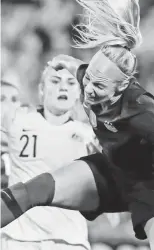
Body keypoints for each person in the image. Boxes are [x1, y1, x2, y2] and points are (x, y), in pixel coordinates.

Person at [1, 0, 154, 250]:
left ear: (121, 87)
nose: (87, 91)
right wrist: (70, 64)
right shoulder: (93, 78)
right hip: (110, 172)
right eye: (89, 79)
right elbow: (82, 70)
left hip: (149, 184)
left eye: (98, 86)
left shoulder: (139, 106)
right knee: (32, 190)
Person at [1, 66, 99, 250]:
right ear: (41, 89)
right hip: (18, 240)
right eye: (55, 81)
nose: (63, 87)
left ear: (78, 93)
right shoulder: (18, 123)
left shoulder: (88, 136)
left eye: (71, 83)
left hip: (69, 241)